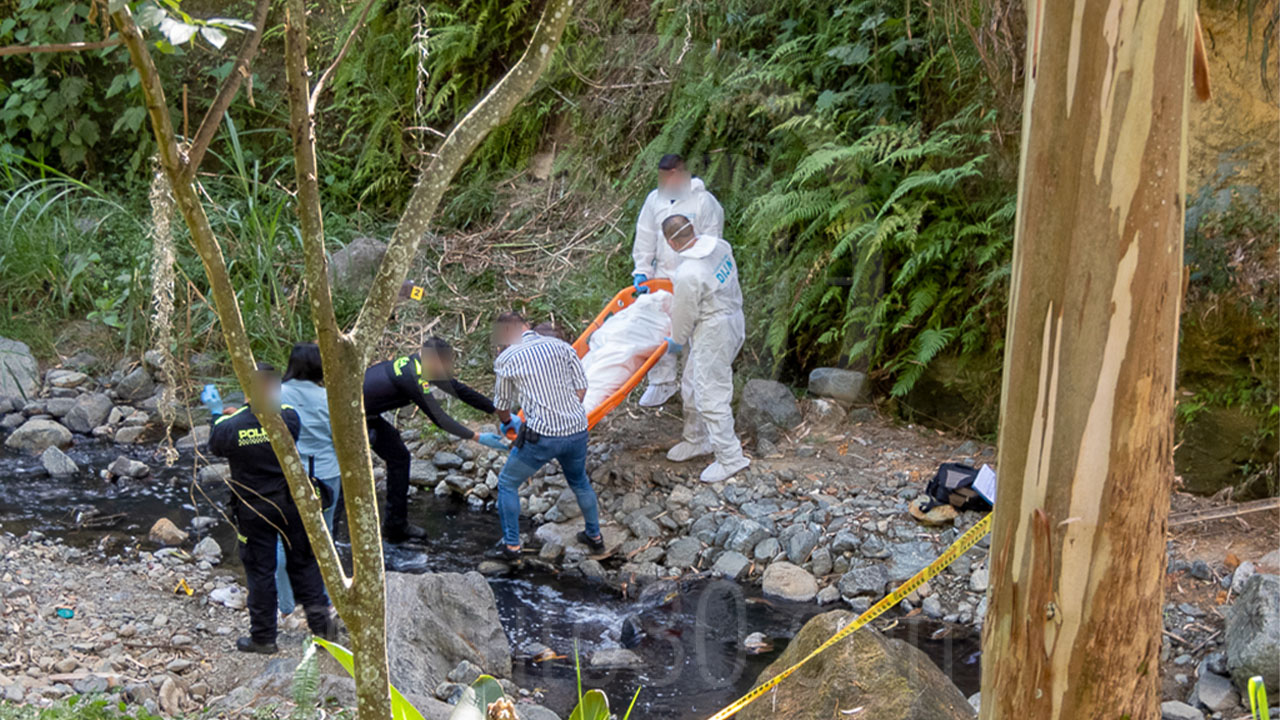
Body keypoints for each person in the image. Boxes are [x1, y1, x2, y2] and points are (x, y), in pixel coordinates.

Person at [204, 364, 337, 654]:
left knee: (260, 572)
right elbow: (273, 420)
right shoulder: (288, 417)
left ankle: (263, 638)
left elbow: (216, 442)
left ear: (247, 391)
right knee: (305, 568)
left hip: (253, 509)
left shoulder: (230, 426)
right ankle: (325, 635)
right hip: (290, 505)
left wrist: (215, 411)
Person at [364, 337, 507, 541]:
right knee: (358, 467)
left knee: (400, 458)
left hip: (367, 414)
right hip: (349, 417)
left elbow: (458, 389)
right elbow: (439, 418)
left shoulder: (420, 365)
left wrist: (496, 411)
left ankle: (395, 525)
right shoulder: (412, 377)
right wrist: (477, 437)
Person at [487, 312, 604, 561]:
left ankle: (512, 546)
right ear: (526, 325)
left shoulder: (507, 357)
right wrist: (565, 412)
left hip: (541, 436)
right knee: (579, 481)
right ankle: (595, 536)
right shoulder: (563, 347)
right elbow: (581, 388)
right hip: (577, 430)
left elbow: (502, 404)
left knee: (507, 483)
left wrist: (507, 423)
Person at [659, 215, 750, 483]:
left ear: (670, 243)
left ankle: (730, 457)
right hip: (732, 318)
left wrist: (676, 338)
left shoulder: (688, 273)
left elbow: (684, 313)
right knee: (692, 383)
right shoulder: (720, 246)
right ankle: (697, 438)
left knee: (711, 393)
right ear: (693, 229)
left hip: (713, 330)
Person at [631, 153, 725, 408]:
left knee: (695, 332)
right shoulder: (655, 200)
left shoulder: (704, 202)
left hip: (693, 279)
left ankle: (695, 392)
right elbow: (645, 236)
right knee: (658, 327)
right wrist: (642, 270)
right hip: (662, 277)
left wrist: (702, 277)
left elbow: (712, 243)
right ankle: (662, 382)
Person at [276, 343, 340, 616]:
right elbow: (339, 439)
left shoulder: (276, 395)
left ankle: (286, 604)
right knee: (324, 538)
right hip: (326, 473)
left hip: (290, 474)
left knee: (283, 539)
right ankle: (325, 599)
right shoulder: (329, 398)